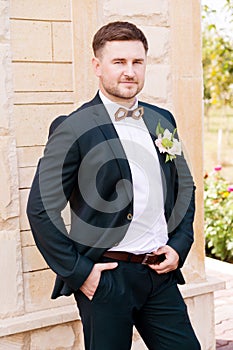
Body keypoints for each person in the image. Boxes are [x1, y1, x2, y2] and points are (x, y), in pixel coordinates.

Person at [27, 21, 201, 350]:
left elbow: (184, 189)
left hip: (159, 274)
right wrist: (81, 273)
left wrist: (179, 245)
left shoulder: (162, 120)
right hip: (106, 277)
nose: (129, 71)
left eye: (137, 62)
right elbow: (40, 209)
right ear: (97, 66)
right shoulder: (72, 127)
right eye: (118, 62)